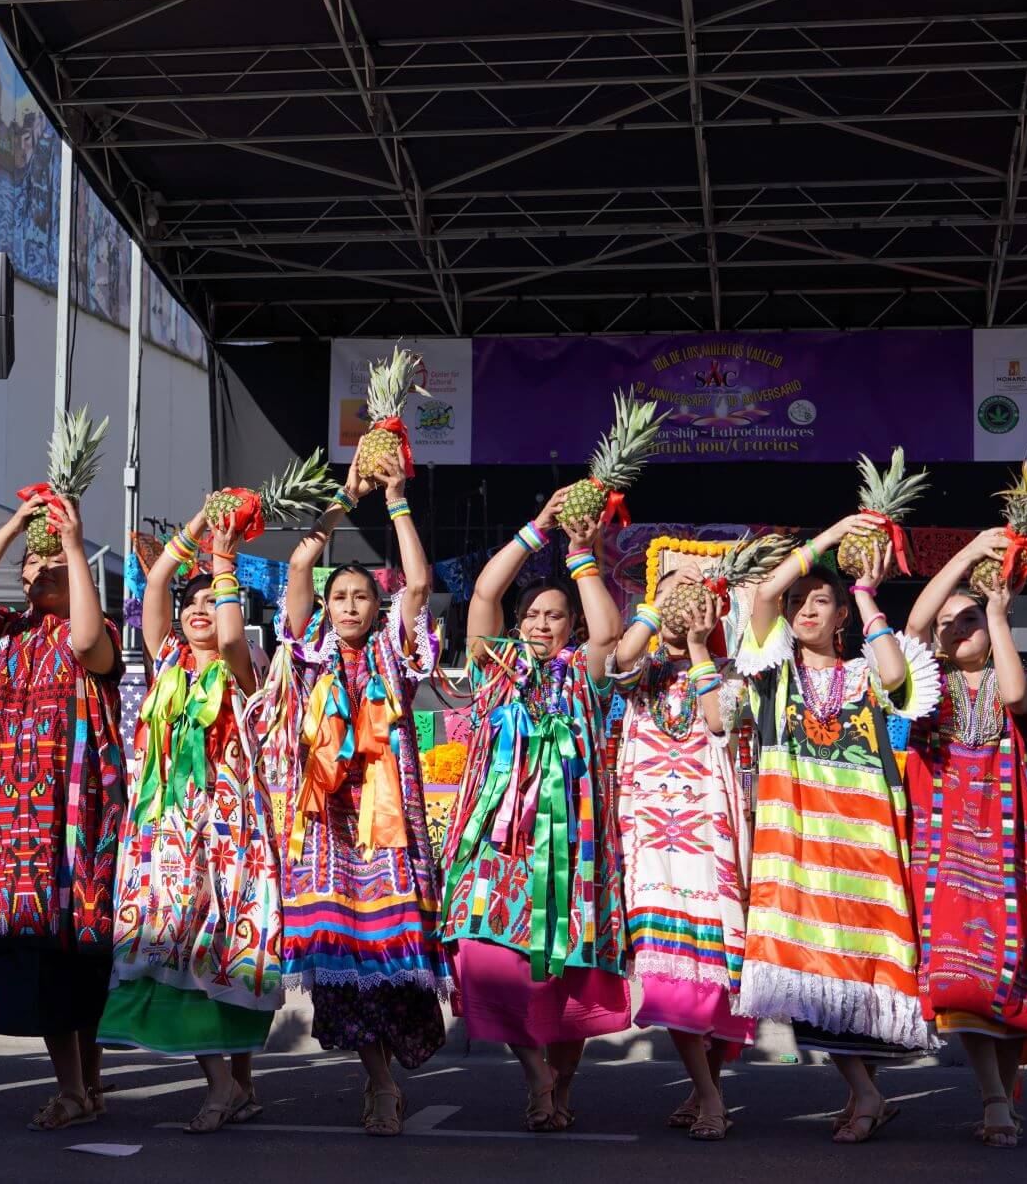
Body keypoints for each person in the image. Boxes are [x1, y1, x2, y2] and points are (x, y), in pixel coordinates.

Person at [254, 453, 443, 1137]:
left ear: (376, 605)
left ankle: (392, 1066)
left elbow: (418, 585)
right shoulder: (305, 652)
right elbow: (301, 565)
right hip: (327, 825)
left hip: (389, 826)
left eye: (361, 596)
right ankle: (380, 1084)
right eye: (340, 598)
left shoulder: (396, 648)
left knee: (396, 966)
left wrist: (395, 501)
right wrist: (344, 496)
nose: (349, 606)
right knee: (346, 963)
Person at [737, 515, 940, 1144]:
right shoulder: (772, 671)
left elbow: (897, 674)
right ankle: (866, 1094)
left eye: (818, 601)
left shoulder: (862, 672)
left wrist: (861, 588)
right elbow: (765, 593)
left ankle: (868, 1094)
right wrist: (828, 539)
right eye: (799, 602)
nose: (802, 610)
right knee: (808, 971)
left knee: (858, 972)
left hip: (863, 843)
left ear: (839, 615)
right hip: (795, 842)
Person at [441, 486, 627, 1134]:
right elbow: (486, 595)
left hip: (572, 852)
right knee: (483, 959)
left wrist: (580, 556)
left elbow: (609, 630)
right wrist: (538, 527)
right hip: (502, 851)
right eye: (535, 616)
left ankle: (560, 1088)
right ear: (518, 626)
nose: (544, 624)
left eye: (556, 616)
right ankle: (534, 1072)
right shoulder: (498, 671)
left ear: (569, 627)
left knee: (566, 979)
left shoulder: (586, 673)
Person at [98, 502, 281, 1133]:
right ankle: (224, 1085)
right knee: (183, 946)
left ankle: (238, 1085)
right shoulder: (167, 664)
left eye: (212, 600)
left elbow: (231, 635)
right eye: (192, 603)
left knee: (225, 949)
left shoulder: (245, 670)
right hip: (169, 834)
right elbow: (153, 584)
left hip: (228, 833)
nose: (199, 609)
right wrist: (205, 521)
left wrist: (225, 558)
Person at [0, 490, 125, 1131]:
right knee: (42, 962)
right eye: (30, 562)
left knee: (84, 957)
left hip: (77, 832)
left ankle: (91, 1084)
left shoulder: (97, 642)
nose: (37, 570)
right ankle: (74, 1090)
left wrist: (73, 547)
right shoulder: (0, 635)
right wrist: (17, 525)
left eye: (50, 563)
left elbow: (83, 638)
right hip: (13, 835)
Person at [904, 530, 1027, 1148]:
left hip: (1012, 853)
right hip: (949, 852)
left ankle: (1001, 1096)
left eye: (968, 619)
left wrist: (998, 610)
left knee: (1016, 978)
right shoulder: (925, 688)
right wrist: (966, 556)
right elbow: (918, 621)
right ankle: (995, 1099)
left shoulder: (1011, 681)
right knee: (964, 980)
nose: (955, 629)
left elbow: (1012, 693)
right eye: (950, 624)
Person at [609, 545, 758, 1141]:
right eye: (666, 594)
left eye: (690, 594)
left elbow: (719, 721)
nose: (678, 601)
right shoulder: (642, 673)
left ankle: (710, 1088)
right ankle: (707, 1094)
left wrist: (698, 645)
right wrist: (658, 601)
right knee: (671, 983)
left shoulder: (733, 675)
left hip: (710, 845)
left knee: (715, 978)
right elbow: (618, 660)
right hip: (652, 844)